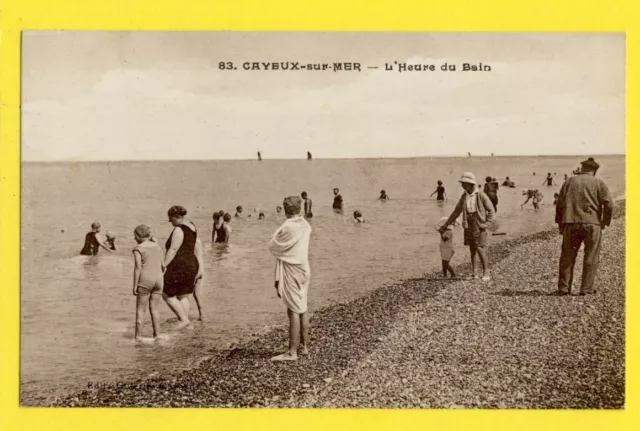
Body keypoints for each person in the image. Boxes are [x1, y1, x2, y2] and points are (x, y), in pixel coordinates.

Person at [555, 157, 613, 296]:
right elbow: (609, 204)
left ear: (581, 168)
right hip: (592, 223)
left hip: (571, 222)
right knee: (591, 256)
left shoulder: (569, 181)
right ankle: (586, 289)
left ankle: (564, 288)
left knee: (567, 256)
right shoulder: (599, 183)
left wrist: (560, 224)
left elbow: (560, 204)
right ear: (594, 170)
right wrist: (605, 221)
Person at [268, 196, 313, 361]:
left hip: (292, 269)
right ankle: (303, 347)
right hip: (304, 268)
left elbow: (273, 245)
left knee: (293, 309)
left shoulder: (287, 226)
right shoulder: (305, 225)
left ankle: (292, 352)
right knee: (302, 306)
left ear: (286, 209)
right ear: (299, 209)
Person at [438, 172, 494, 281]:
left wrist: (487, 223)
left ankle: (486, 273)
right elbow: (456, 212)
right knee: (472, 248)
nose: (462, 185)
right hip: (468, 223)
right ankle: (474, 273)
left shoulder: (481, 195)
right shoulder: (464, 196)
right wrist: (445, 225)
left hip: (479, 223)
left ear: (471, 184)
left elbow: (491, 210)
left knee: (480, 248)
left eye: (464, 183)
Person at [162, 206, 202, 328]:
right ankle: (186, 322)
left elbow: (173, 249)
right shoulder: (192, 226)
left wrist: (163, 265)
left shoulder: (179, 230)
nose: (170, 221)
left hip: (180, 265)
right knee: (183, 295)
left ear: (177, 217)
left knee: (166, 293)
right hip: (191, 264)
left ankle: (183, 320)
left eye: (171, 219)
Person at [132, 224, 164, 340]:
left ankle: (138, 337)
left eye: (135, 236)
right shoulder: (158, 247)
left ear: (139, 236)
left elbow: (137, 268)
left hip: (145, 280)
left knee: (141, 309)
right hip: (159, 280)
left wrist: (135, 285)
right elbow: (163, 266)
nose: (134, 239)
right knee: (155, 309)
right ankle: (157, 335)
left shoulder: (138, 248)